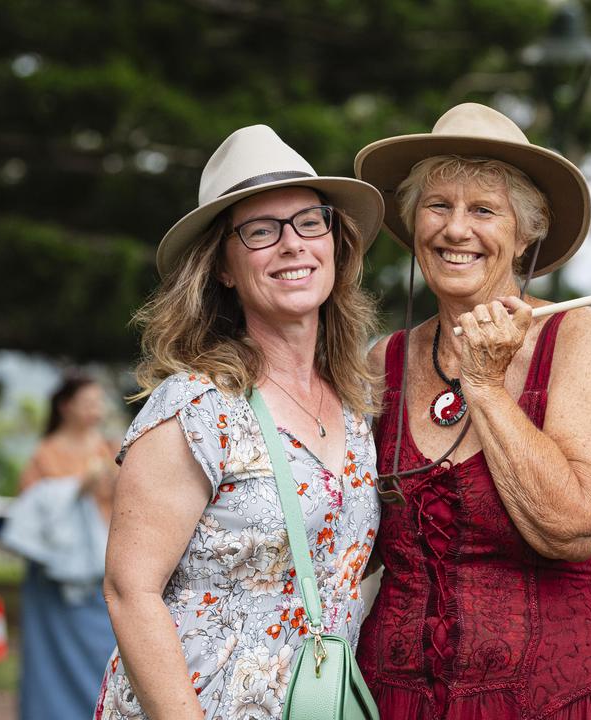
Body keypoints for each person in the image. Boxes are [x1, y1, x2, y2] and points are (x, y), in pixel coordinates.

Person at [95, 125, 385, 719]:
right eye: (260, 231)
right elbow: (131, 591)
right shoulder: (197, 407)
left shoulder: (357, 407)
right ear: (223, 268)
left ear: (335, 242)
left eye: (310, 221)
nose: (292, 245)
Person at [353, 103, 591, 718]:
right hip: (395, 698)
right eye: (438, 206)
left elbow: (573, 527)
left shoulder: (579, 336)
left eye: (483, 210)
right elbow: (353, 540)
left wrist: (483, 382)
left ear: (526, 231)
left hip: (546, 701)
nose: (456, 230)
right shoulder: (383, 361)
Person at [9, 373, 119, 720]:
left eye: (98, 403)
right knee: (50, 656)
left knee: (104, 646)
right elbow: (31, 508)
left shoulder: (111, 449)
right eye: (87, 403)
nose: (95, 410)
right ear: (65, 406)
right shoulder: (46, 454)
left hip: (103, 563)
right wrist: (74, 490)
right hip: (56, 573)